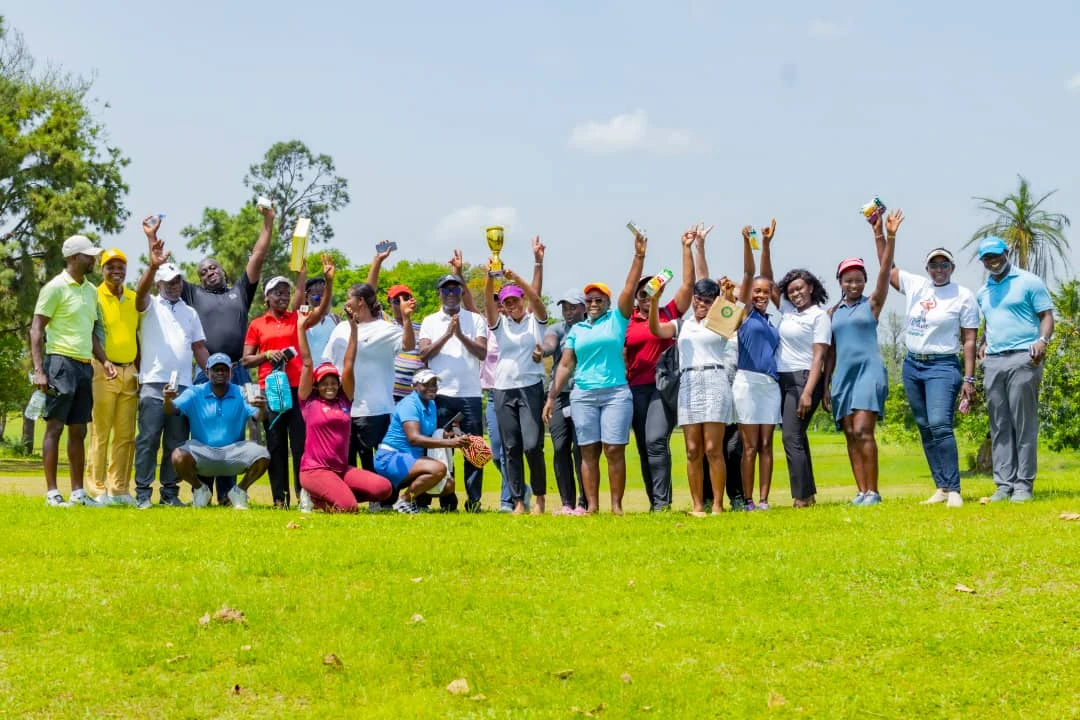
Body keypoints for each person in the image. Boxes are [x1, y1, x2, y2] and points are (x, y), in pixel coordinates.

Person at [875, 224, 979, 508]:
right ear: (927, 268)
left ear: (952, 267)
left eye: (944, 264)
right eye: (934, 265)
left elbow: (969, 340)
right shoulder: (917, 285)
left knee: (940, 424)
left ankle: (955, 489)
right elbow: (887, 267)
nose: (939, 269)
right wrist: (880, 233)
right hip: (913, 365)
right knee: (924, 426)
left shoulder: (963, 295)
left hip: (943, 366)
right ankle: (941, 487)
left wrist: (969, 380)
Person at [543, 226, 645, 514]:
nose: (594, 303)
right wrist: (552, 397)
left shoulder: (617, 318)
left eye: (599, 299)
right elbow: (564, 364)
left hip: (615, 392)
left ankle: (616, 506)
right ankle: (592, 508)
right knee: (588, 451)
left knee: (614, 449)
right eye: (589, 300)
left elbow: (629, 287)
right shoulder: (578, 330)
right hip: (583, 394)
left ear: (608, 303)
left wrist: (638, 256)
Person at [178, 203, 274, 503]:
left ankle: (230, 493)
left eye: (213, 268)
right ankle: (202, 489)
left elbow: (257, 256)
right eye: (203, 271)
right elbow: (163, 273)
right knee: (204, 426)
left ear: (223, 270)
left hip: (238, 370)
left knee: (238, 428)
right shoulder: (193, 294)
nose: (209, 273)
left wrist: (268, 222)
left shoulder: (240, 292)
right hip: (205, 372)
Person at [648, 227, 732, 516]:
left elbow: (710, 285)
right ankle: (697, 505)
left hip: (714, 379)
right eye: (698, 299)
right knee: (693, 450)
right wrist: (656, 301)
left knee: (712, 448)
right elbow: (656, 329)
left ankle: (718, 504)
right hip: (689, 382)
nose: (700, 304)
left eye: (707, 300)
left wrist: (699, 248)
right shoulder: (683, 324)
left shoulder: (721, 321)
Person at [241, 258, 332, 508]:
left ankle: (305, 495)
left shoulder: (297, 319)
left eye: (286, 292)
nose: (283, 296)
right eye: (277, 293)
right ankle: (279, 499)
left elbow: (321, 309)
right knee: (276, 445)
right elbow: (246, 360)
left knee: (302, 445)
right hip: (272, 390)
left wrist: (328, 280)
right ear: (267, 297)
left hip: (298, 389)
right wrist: (266, 355)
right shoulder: (257, 324)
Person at [824, 210, 899, 506]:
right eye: (848, 280)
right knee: (850, 435)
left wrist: (883, 233)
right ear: (840, 282)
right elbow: (829, 352)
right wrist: (827, 385)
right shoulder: (832, 313)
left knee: (863, 430)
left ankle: (874, 492)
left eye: (858, 280)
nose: (853, 285)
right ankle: (861, 491)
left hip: (868, 373)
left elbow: (884, 270)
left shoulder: (873, 304)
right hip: (842, 376)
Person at [30, 234, 110, 507]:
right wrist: (39, 370)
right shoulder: (55, 288)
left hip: (84, 365)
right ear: (74, 258)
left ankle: (77, 492)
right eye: (89, 256)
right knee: (54, 428)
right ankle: (52, 492)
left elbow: (91, 334)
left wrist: (104, 360)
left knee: (79, 430)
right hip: (59, 363)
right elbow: (37, 329)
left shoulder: (90, 290)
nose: (94, 259)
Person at [132, 232, 210, 509]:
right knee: (148, 440)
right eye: (167, 281)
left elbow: (199, 347)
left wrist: (210, 372)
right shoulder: (150, 305)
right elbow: (139, 295)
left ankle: (169, 494)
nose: (174, 285)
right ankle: (142, 493)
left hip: (184, 387)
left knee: (176, 443)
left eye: (177, 280)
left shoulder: (190, 312)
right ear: (159, 283)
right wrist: (153, 265)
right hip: (153, 383)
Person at [975, 236, 1054, 503]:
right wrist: (984, 343)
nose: (992, 261)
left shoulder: (1029, 282)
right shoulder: (983, 291)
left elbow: (1046, 315)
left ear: (1006, 253)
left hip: (1023, 358)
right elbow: (993, 323)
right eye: (987, 258)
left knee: (1024, 424)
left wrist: (1042, 341)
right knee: (999, 424)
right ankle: (1003, 484)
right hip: (994, 361)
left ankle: (1023, 486)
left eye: (996, 255)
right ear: (982, 261)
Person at [623, 231, 694, 512]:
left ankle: (662, 503)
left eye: (650, 291)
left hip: (662, 387)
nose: (645, 297)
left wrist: (686, 247)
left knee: (655, 440)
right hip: (635, 388)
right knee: (644, 446)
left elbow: (689, 284)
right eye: (642, 293)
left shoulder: (668, 312)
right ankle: (656, 502)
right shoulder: (627, 320)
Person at [297, 306, 393, 513]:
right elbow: (307, 363)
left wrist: (353, 327)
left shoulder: (344, 400)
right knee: (348, 508)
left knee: (384, 488)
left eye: (333, 382)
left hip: (341, 470)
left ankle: (330, 494)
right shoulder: (309, 403)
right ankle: (316, 497)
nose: (330, 386)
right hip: (315, 470)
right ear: (316, 386)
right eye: (324, 383)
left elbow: (349, 364)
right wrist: (300, 328)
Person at [321, 280, 413, 473]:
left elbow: (408, 345)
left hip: (376, 409)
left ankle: (380, 500)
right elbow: (327, 362)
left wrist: (406, 319)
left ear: (360, 301)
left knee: (377, 464)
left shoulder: (385, 329)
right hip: (344, 407)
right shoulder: (340, 328)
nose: (346, 302)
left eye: (349, 298)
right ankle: (351, 499)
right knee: (347, 461)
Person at [418, 272, 489, 512]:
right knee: (440, 447)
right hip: (440, 395)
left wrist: (459, 335)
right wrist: (448, 334)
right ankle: (447, 499)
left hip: (469, 394)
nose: (451, 294)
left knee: (473, 448)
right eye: (446, 290)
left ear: (462, 292)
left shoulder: (475, 320)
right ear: (439, 293)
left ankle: (474, 500)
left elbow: (482, 353)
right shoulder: (430, 321)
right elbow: (424, 355)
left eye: (455, 290)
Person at [165, 353, 271, 509]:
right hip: (203, 452)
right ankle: (201, 490)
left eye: (224, 369)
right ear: (207, 372)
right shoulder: (195, 392)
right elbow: (171, 410)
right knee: (178, 456)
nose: (220, 373)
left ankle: (239, 492)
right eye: (216, 369)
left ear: (231, 372)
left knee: (263, 455)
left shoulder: (242, 392)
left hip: (232, 453)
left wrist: (262, 408)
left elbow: (258, 417)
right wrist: (167, 399)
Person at [765, 259, 831, 508]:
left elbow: (819, 357)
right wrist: (765, 246)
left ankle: (801, 497)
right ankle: (809, 494)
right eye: (791, 291)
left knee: (791, 437)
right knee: (799, 438)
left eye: (800, 288)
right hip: (783, 379)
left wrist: (808, 392)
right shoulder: (788, 311)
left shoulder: (819, 316)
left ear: (811, 288)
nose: (796, 294)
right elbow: (769, 282)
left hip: (804, 380)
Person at [483, 264, 549, 515]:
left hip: (530, 388)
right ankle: (518, 500)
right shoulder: (501, 325)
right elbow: (490, 308)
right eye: (506, 302)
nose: (512, 306)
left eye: (515, 300)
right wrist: (489, 278)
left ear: (522, 299)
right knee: (510, 448)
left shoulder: (536, 321)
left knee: (532, 446)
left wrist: (516, 278)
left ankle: (540, 497)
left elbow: (536, 298)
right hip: (503, 389)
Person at [732, 221, 782, 511]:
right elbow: (750, 274)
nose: (761, 295)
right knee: (749, 447)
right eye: (757, 291)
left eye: (766, 292)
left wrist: (768, 245)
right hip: (747, 383)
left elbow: (766, 278)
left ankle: (764, 500)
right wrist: (750, 245)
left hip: (769, 386)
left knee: (766, 445)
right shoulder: (745, 314)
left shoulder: (771, 320)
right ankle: (748, 500)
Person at [86, 248, 140, 506]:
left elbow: (137, 336)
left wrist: (138, 369)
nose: (116, 270)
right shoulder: (93, 295)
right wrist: (105, 360)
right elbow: (91, 334)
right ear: (102, 269)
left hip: (130, 371)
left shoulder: (133, 298)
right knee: (101, 432)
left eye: (120, 266)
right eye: (110, 266)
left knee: (126, 434)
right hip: (102, 369)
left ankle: (119, 488)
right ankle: (97, 489)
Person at [374, 369, 471, 514]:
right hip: (391, 458)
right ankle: (404, 502)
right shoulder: (410, 404)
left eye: (434, 384)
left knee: (449, 485)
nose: (432, 387)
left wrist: (452, 435)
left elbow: (429, 433)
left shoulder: (431, 404)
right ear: (415, 386)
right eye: (426, 384)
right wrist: (451, 444)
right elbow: (414, 438)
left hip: (411, 459)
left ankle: (412, 502)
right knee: (438, 469)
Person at [542, 289, 588, 515]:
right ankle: (566, 503)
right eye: (565, 307)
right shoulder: (557, 329)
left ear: (584, 308)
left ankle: (584, 502)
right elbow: (550, 344)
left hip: (585, 393)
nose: (568, 312)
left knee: (582, 449)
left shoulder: (591, 328)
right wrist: (542, 350)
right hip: (559, 395)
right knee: (560, 447)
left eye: (573, 307)